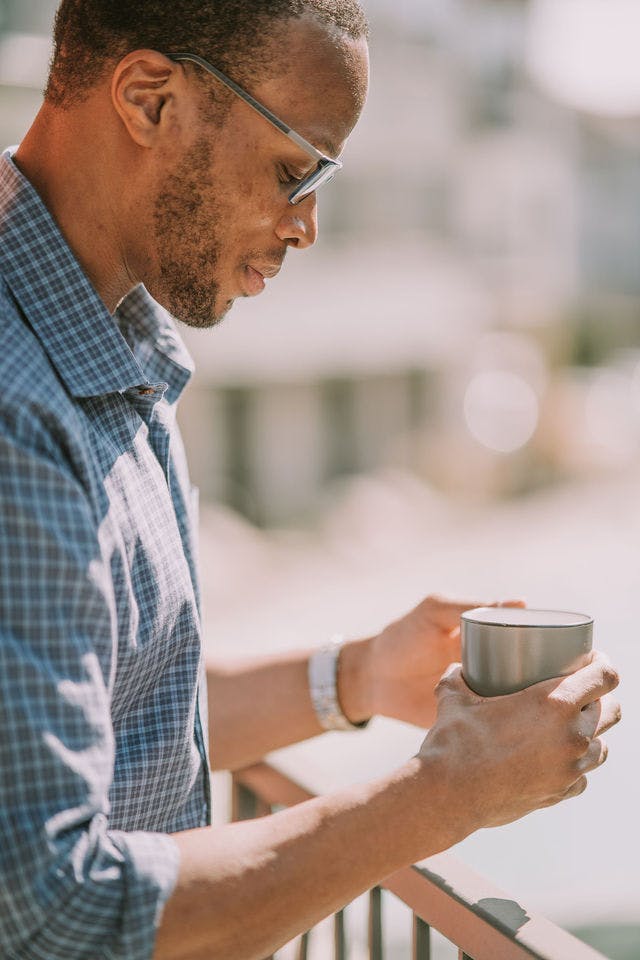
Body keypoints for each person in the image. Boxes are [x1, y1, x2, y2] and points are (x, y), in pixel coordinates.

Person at [0, 2, 621, 958]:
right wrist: (445, 792)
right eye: (296, 170)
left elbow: (89, 711)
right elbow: (59, 912)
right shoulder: (17, 404)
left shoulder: (105, 341)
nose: (307, 226)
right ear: (149, 98)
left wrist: (357, 676)